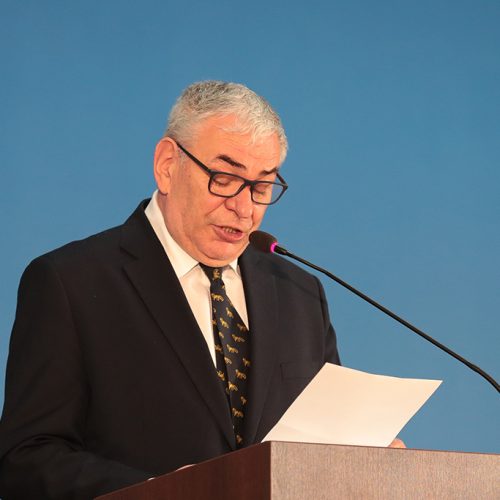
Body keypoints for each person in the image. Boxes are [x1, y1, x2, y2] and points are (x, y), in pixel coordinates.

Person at [0, 81, 340, 499]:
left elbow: (327, 441)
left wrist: (362, 457)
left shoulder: (300, 293)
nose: (244, 208)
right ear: (166, 165)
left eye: (261, 187)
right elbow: (26, 459)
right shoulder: (70, 282)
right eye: (225, 178)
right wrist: (157, 492)